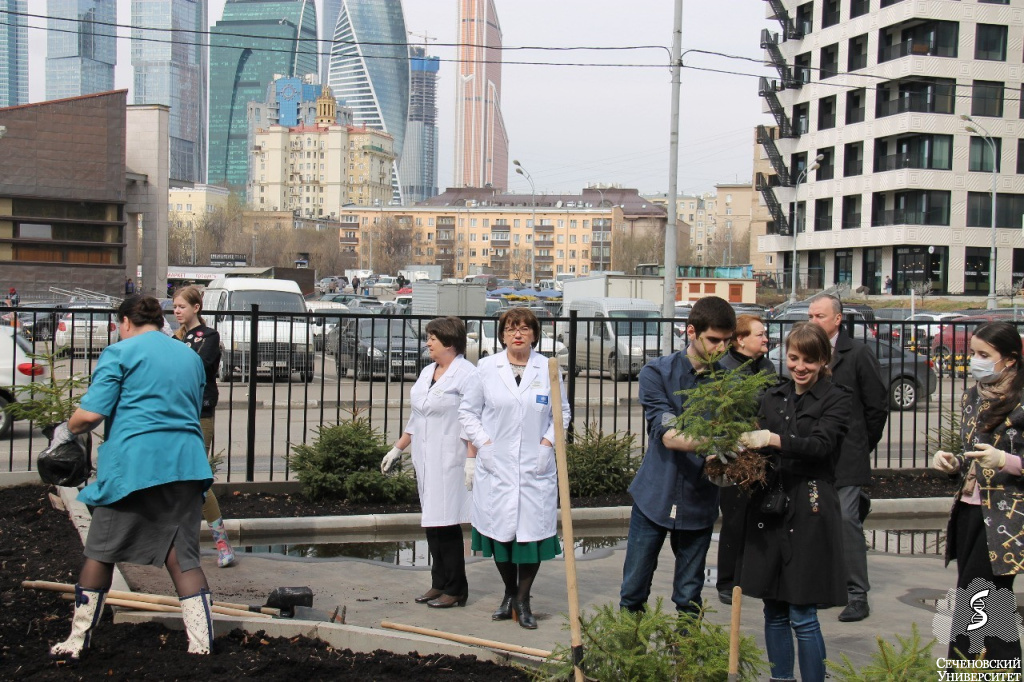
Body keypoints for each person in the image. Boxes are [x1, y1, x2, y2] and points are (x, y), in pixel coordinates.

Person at [48, 295, 215, 660]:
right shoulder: (189, 356)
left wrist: (65, 429)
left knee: (101, 551)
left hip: (135, 466)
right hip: (186, 464)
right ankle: (202, 646)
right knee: (183, 557)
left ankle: (77, 642)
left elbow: (90, 415)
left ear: (125, 322)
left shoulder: (120, 353)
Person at [736, 322, 851, 682]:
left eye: (809, 360)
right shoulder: (773, 395)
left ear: (823, 360)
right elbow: (751, 446)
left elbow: (820, 446)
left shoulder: (837, 398)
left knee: (802, 610)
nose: (800, 367)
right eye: (793, 358)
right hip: (771, 504)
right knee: (774, 608)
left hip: (810, 506)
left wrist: (772, 438)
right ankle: (780, 678)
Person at [618, 295, 736, 616]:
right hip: (654, 497)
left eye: (727, 341)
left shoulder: (729, 384)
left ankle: (685, 661)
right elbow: (669, 435)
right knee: (633, 591)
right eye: (713, 340)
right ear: (691, 332)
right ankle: (632, 659)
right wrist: (720, 442)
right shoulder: (657, 373)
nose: (721, 349)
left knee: (688, 596)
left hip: (700, 502)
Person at [459, 307, 570, 629]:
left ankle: (523, 600)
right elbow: (468, 413)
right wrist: (485, 446)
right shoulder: (485, 368)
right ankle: (509, 593)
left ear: (535, 334)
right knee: (501, 535)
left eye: (523, 328)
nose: (517, 334)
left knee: (531, 536)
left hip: (535, 465)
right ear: (502, 335)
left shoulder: (548, 368)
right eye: (510, 329)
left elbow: (561, 414)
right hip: (497, 465)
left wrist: (547, 445)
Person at [932, 321, 1024, 666]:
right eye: (972, 353)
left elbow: (1005, 458)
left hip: (1007, 516)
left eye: (984, 355)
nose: (975, 361)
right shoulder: (974, 395)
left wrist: (1007, 460)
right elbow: (973, 450)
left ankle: (965, 666)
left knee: (978, 597)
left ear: (1010, 360)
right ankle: (996, 668)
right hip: (972, 508)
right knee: (987, 598)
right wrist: (954, 462)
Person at [381, 317, 476, 608]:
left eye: (432, 338)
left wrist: (471, 459)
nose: (427, 343)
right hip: (425, 459)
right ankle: (438, 583)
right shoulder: (427, 372)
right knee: (432, 523)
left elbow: (472, 419)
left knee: (446, 523)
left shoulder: (467, 375)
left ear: (448, 340)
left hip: (451, 458)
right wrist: (397, 449)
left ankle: (457, 588)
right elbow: (417, 416)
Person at [806, 293, 886, 622]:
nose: (813, 322)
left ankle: (856, 594)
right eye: (810, 316)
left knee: (846, 520)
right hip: (814, 454)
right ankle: (824, 584)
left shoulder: (858, 353)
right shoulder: (807, 353)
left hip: (848, 455)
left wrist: (860, 444)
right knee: (816, 519)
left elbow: (876, 407)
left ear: (837, 319)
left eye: (819, 316)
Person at [715, 314, 776, 605]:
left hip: (764, 453)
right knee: (735, 520)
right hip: (735, 455)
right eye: (760, 334)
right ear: (741, 339)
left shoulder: (766, 366)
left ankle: (753, 576)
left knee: (761, 519)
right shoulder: (725, 369)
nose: (766, 339)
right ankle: (728, 581)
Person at [173, 286, 236, 568]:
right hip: (173, 413)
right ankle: (177, 542)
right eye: (174, 307)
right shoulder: (174, 338)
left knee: (198, 478)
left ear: (196, 308)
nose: (176, 311)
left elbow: (198, 366)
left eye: (182, 307)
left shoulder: (208, 337)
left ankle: (222, 543)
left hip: (199, 413)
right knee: (174, 479)